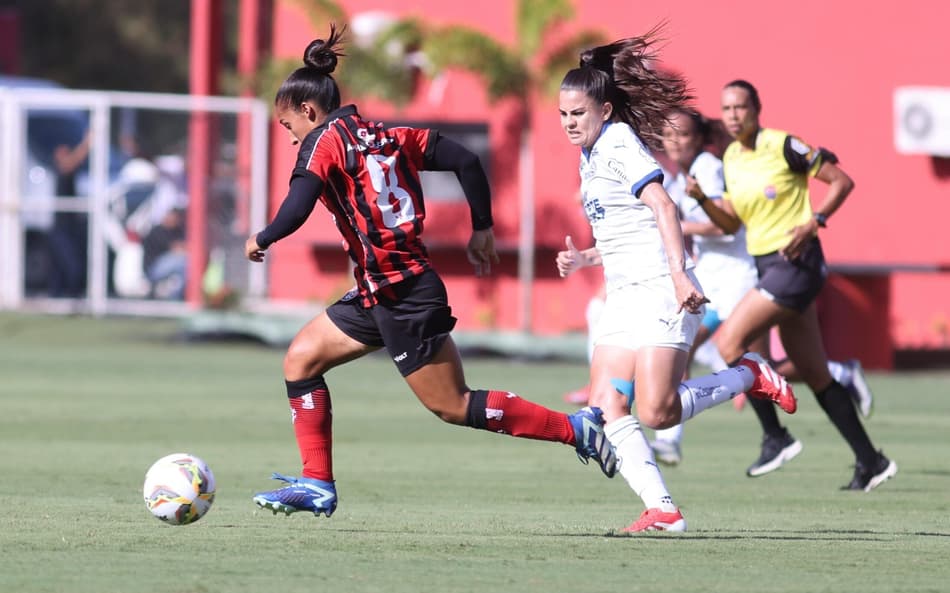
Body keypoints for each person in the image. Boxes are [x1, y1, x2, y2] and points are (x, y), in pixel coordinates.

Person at [243, 25, 617, 520]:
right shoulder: (390, 135)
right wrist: (481, 228)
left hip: (402, 295)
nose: (289, 134)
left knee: (454, 405)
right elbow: (465, 158)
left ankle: (578, 429)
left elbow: (298, 205)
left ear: (307, 112)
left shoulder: (322, 141)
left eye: (287, 123)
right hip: (383, 290)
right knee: (301, 360)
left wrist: (263, 237)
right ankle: (317, 484)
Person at [555, 30, 796, 533]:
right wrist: (585, 259)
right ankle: (662, 509)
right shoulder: (591, 155)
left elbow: (663, 205)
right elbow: (629, 231)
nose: (570, 123)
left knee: (659, 411)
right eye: (563, 115)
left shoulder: (619, 141)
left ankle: (749, 374)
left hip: (660, 288)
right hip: (625, 293)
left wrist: (680, 274)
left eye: (578, 113)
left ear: (603, 109)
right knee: (606, 401)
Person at [696, 79, 896, 490]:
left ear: (757, 109)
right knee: (815, 374)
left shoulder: (783, 145)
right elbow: (732, 222)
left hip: (797, 264)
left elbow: (842, 181)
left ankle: (776, 437)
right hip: (768, 266)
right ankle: (871, 461)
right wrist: (702, 201)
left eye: (741, 107)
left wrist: (814, 222)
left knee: (729, 344)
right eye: (727, 109)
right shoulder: (731, 155)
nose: (734, 116)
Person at [650, 108, 874, 467]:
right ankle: (835, 380)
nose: (675, 142)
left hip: (738, 279)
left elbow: (727, 224)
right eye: (668, 135)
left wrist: (679, 228)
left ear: (699, 138)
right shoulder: (678, 178)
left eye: (683, 135)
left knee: (721, 356)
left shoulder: (710, 166)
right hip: (712, 279)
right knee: (757, 363)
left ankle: (678, 439)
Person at [46, 132, 91, 298]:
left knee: (65, 267)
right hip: (61, 228)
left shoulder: (70, 171)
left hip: (70, 225)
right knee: (71, 266)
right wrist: (87, 143)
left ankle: (67, 297)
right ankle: (66, 297)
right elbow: (71, 162)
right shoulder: (60, 168)